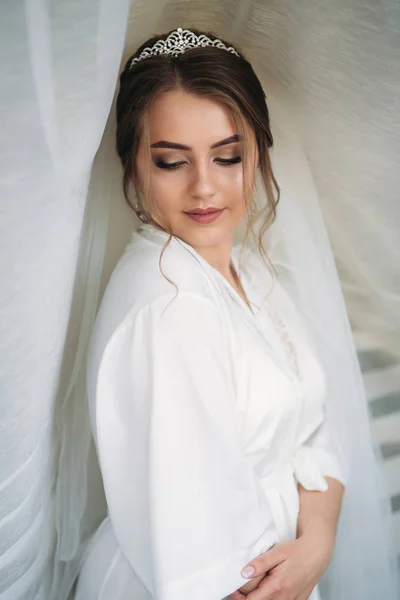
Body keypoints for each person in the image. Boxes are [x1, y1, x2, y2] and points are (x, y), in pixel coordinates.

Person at [69, 27, 398, 600]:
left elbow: (316, 435)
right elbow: (207, 568)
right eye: (172, 162)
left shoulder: (253, 272)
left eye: (228, 157)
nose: (205, 187)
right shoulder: (169, 309)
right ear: (132, 168)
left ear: (258, 154)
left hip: (290, 569)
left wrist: (317, 544)